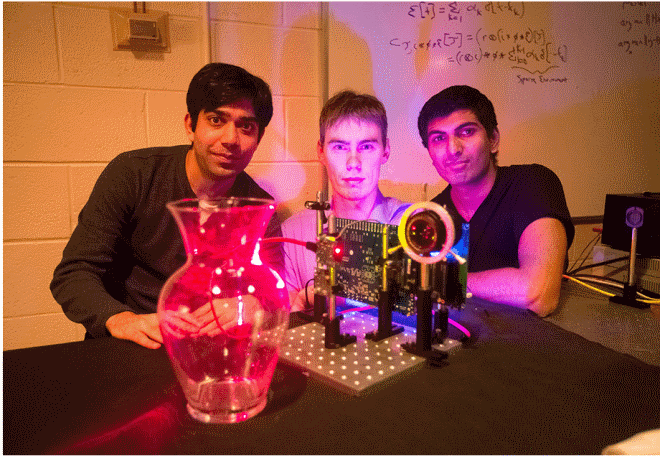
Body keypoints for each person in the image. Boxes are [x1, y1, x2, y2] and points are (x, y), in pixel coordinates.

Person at [51, 63, 283, 349]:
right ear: (190, 125)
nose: (230, 139)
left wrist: (251, 304)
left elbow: (273, 288)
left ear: (258, 139)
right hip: (136, 341)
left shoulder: (258, 207)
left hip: (214, 349)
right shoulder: (133, 174)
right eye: (216, 120)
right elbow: (74, 272)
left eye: (245, 126)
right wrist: (121, 319)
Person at [417, 85, 574, 317]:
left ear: (493, 139)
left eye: (466, 132)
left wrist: (443, 283)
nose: (453, 149)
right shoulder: (431, 216)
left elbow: (538, 293)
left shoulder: (532, 184)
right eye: (439, 138)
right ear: (429, 152)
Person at [282, 90, 410, 311]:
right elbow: (285, 310)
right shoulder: (293, 232)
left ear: (385, 151)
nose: (353, 162)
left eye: (366, 147)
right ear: (321, 151)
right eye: (339, 147)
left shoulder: (412, 227)